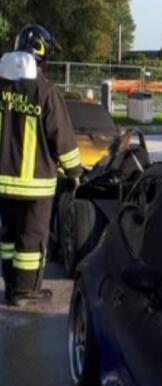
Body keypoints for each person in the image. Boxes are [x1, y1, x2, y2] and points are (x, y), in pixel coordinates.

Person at [0, 25, 82, 307]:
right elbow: (63, 138)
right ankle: (25, 291)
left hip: (2, 185)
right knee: (31, 242)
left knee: (8, 238)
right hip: (35, 186)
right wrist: (75, 173)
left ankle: (11, 285)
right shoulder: (44, 92)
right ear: (39, 50)